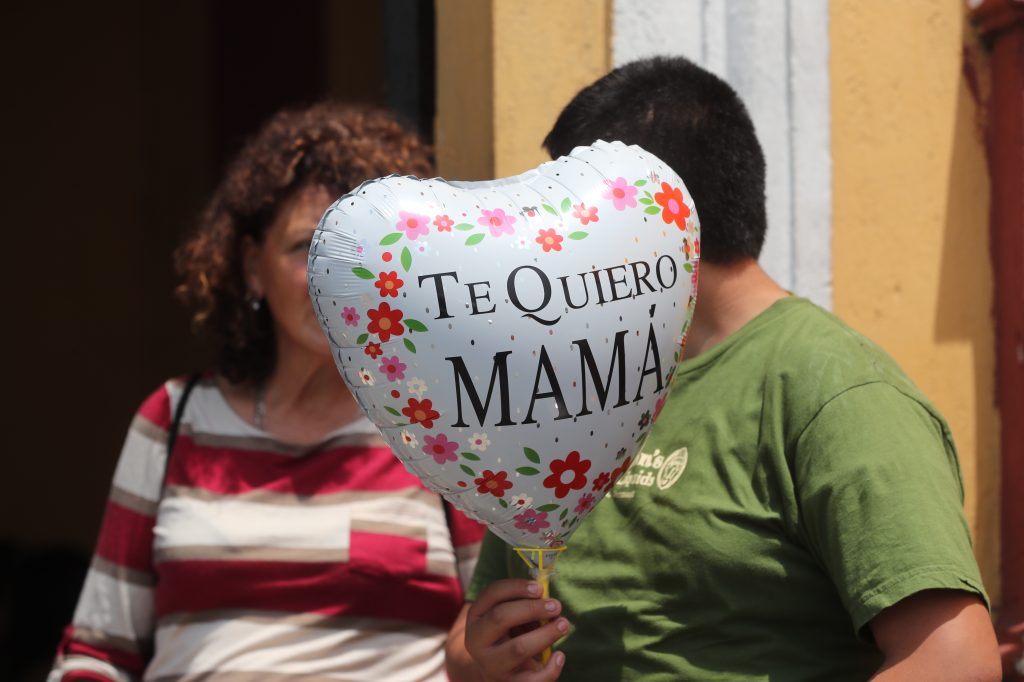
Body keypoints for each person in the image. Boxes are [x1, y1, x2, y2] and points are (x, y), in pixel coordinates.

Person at [445, 57, 1001, 681]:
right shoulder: (559, 387)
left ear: (639, 217)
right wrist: (484, 658)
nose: (541, 246)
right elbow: (468, 641)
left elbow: (956, 661)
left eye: (560, 217)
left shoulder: (837, 390)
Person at [50, 103, 485, 681]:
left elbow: (491, 636)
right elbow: (99, 651)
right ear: (253, 267)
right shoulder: (174, 418)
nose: (334, 273)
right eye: (307, 246)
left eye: (360, 246)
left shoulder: (440, 426)